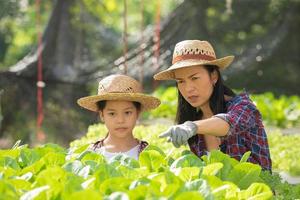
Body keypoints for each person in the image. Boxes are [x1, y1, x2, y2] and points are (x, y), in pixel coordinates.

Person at [154, 40, 272, 171]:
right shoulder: (195, 122)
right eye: (181, 81)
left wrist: (192, 127)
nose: (188, 89)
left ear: (214, 76)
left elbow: (229, 123)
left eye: (194, 78)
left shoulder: (244, 106)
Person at [77, 74, 160, 161]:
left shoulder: (149, 154)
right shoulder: (91, 154)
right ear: (102, 115)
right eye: (112, 114)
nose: (120, 120)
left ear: (137, 113)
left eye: (127, 112)